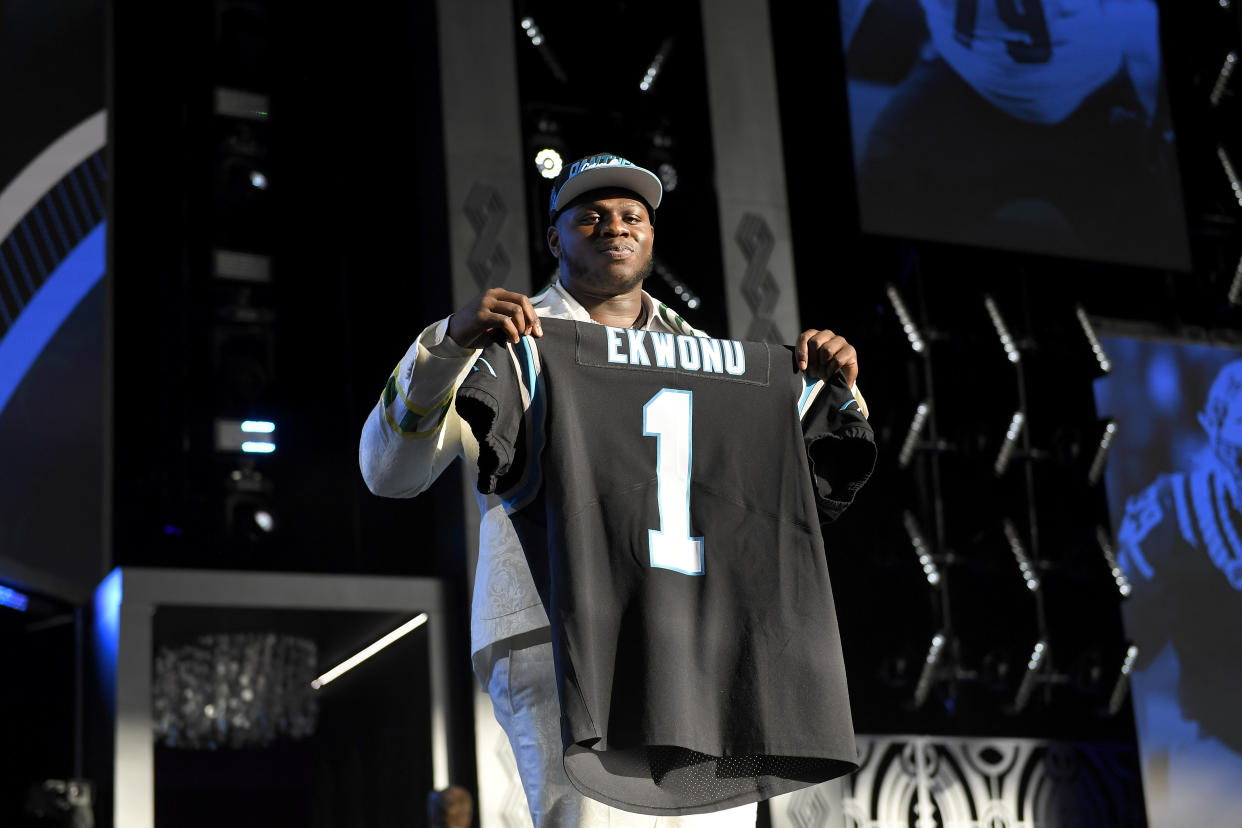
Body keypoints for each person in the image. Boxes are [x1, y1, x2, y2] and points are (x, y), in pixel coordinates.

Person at [359, 152, 864, 827]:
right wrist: (449, 347)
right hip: (554, 626)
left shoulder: (717, 360)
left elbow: (795, 476)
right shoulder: (510, 344)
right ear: (554, 239)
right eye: (590, 215)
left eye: (632, 215)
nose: (614, 226)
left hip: (696, 630)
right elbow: (387, 474)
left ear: (652, 236)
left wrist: (837, 384)